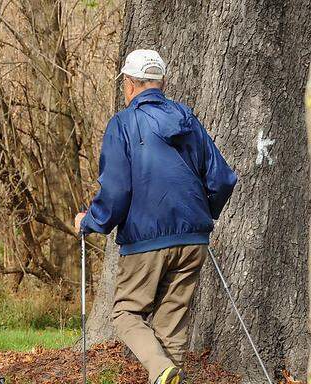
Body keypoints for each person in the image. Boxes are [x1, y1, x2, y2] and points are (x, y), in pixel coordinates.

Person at [74, 49, 237, 384]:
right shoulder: (187, 119)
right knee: (171, 327)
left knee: (124, 313)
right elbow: (222, 179)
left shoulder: (124, 123)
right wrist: (201, 214)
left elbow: (116, 190)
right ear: (160, 82)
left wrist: (90, 223)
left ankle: (161, 370)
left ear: (130, 85)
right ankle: (166, 372)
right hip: (193, 240)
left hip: (147, 239)